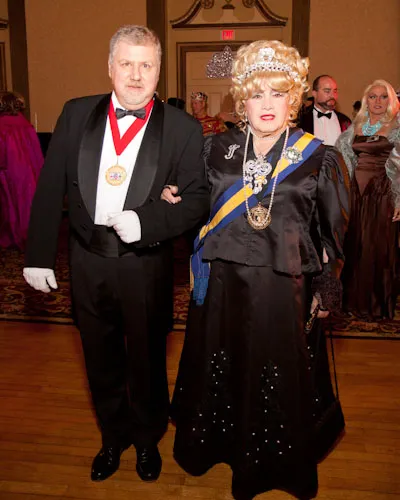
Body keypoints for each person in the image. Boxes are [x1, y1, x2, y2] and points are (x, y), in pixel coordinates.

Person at [163, 40, 350, 499]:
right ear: (242, 100)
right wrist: (172, 198)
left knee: (275, 370)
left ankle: (272, 465)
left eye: (278, 93)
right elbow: (196, 205)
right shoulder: (215, 148)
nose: (267, 103)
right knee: (221, 364)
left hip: (283, 285)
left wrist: (327, 285)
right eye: (256, 93)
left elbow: (332, 230)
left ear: (294, 99)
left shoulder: (318, 156)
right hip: (221, 283)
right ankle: (215, 448)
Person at [23, 25, 209, 483]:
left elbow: (197, 199)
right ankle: (113, 436)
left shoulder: (182, 128)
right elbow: (50, 185)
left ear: (159, 71)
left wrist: (148, 222)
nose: (136, 75)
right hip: (86, 259)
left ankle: (147, 439)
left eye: (146, 65)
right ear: (110, 67)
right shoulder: (75, 113)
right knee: (99, 357)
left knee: (147, 360)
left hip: (146, 265)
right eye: (126, 63)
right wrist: (38, 255)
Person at [336, 79, 400, 320]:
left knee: (379, 248)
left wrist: (399, 199)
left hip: (384, 193)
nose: (378, 101)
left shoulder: (396, 126)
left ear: (391, 100)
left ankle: (377, 305)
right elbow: (341, 156)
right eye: (373, 97)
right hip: (356, 193)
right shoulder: (356, 126)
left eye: (383, 97)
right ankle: (352, 302)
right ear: (366, 101)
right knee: (355, 245)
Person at [0, 91, 43, 249]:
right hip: (31, 169)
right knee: (28, 204)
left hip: (9, 171)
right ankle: (31, 236)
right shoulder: (25, 124)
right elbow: (36, 150)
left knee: (11, 205)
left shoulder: (2, 125)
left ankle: (14, 237)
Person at [298, 75, 351, 145]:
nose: (332, 95)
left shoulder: (345, 122)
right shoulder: (301, 119)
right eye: (327, 91)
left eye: (335, 91)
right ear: (314, 93)